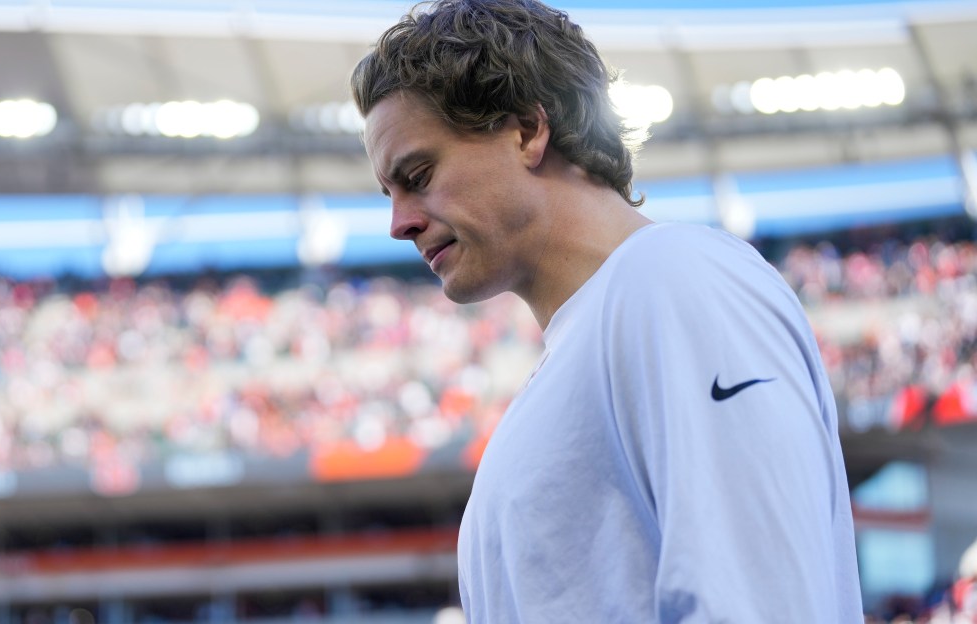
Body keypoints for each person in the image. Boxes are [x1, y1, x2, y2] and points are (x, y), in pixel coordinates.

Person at [350, 0, 864, 621]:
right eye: (390, 192)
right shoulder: (590, 340)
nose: (399, 223)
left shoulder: (674, 276)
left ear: (526, 131)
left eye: (419, 175)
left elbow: (760, 603)